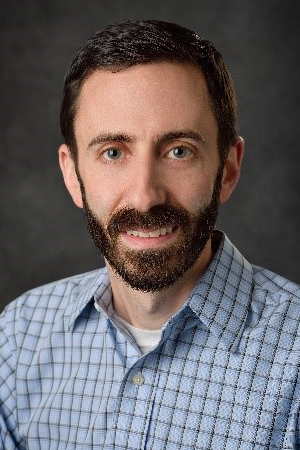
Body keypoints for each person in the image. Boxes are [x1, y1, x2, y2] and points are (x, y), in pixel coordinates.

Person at [0, 19, 299, 450]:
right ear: (72, 175)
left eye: (179, 150)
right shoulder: (18, 337)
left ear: (228, 169)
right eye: (113, 152)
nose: (144, 197)